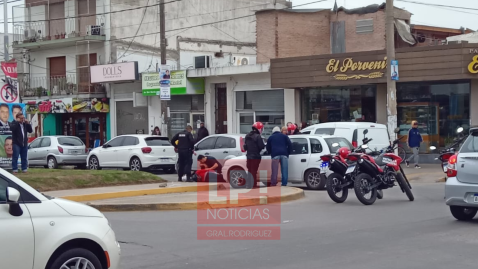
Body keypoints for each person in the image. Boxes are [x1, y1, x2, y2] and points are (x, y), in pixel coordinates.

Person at [243, 122, 265, 189]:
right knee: (254, 171)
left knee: (250, 170)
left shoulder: (247, 136)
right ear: (259, 129)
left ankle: (249, 184)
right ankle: (253, 184)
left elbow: (245, 146)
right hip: (255, 156)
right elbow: (261, 146)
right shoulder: (258, 136)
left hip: (249, 156)